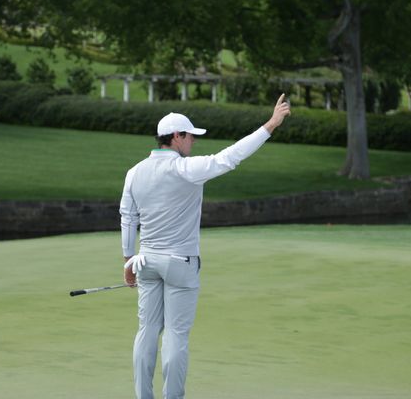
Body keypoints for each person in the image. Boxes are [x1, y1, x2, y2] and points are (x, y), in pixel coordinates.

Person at [119, 94, 291, 399]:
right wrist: (271, 125)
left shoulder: (134, 172)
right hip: (180, 263)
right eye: (190, 137)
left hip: (146, 262)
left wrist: (128, 260)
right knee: (175, 335)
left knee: (146, 331)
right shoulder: (185, 169)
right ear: (176, 137)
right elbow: (230, 157)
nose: (193, 143)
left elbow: (128, 217)